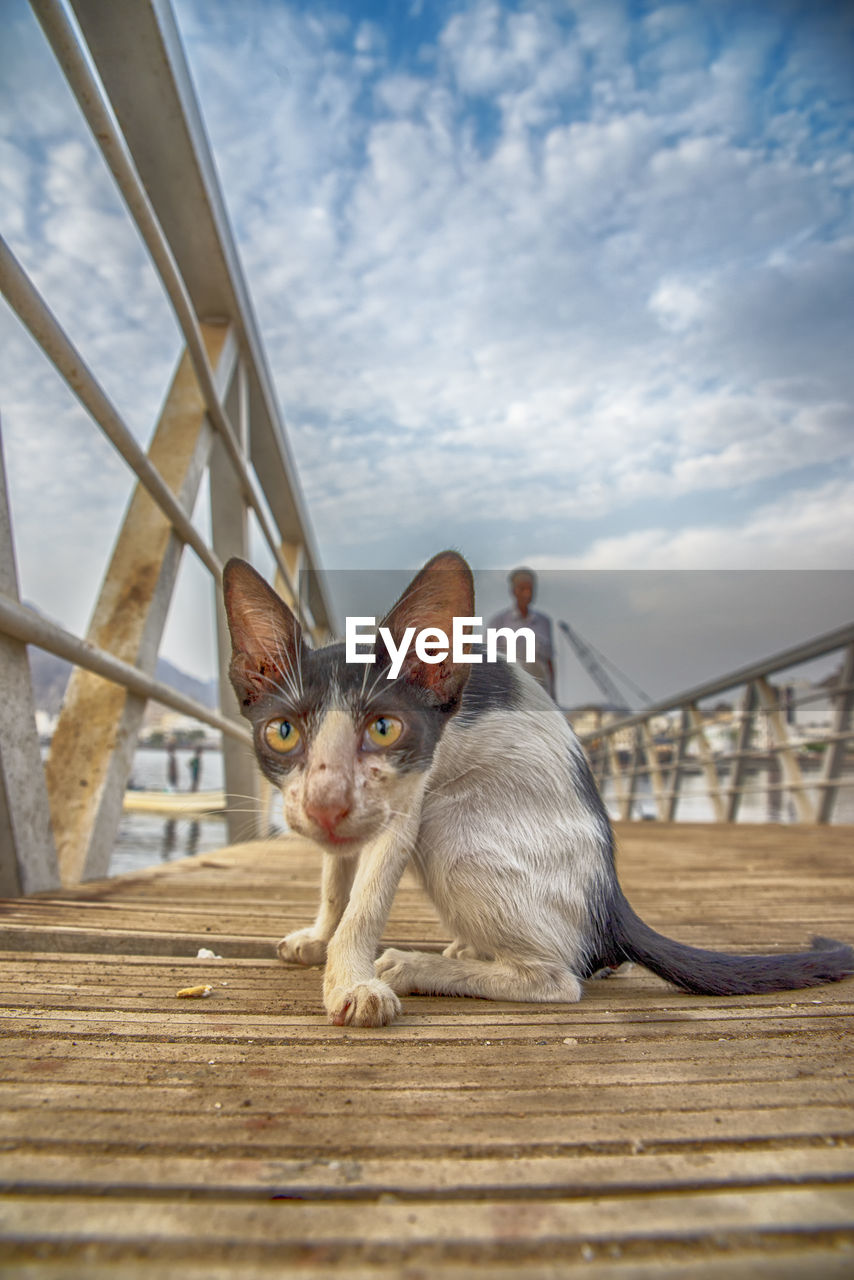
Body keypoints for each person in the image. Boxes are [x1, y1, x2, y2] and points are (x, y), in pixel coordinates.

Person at [488, 566, 556, 698]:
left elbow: (549, 662)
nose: (527, 594)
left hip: (540, 694)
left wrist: (553, 695)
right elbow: (489, 663)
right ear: (513, 591)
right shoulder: (498, 622)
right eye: (522, 589)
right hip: (511, 693)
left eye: (530, 589)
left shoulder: (544, 622)